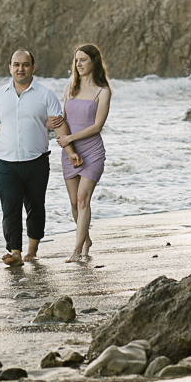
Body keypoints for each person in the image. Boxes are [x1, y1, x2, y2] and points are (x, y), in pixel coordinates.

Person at [0, 49, 81, 266]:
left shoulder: (45, 94)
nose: (21, 68)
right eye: (16, 64)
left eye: (25, 64)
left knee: (35, 206)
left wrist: (70, 151)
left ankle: (32, 250)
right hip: (7, 164)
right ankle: (15, 252)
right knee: (10, 208)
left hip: (37, 162)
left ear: (33, 68)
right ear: (10, 68)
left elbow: (59, 124)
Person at [57, 43, 111, 263]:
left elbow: (97, 126)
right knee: (73, 202)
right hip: (70, 153)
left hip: (92, 151)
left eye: (83, 60)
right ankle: (86, 239)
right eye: (76, 60)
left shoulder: (103, 92)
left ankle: (77, 250)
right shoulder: (69, 89)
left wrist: (71, 138)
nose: (78, 64)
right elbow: (62, 121)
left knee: (82, 199)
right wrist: (67, 145)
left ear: (94, 62)